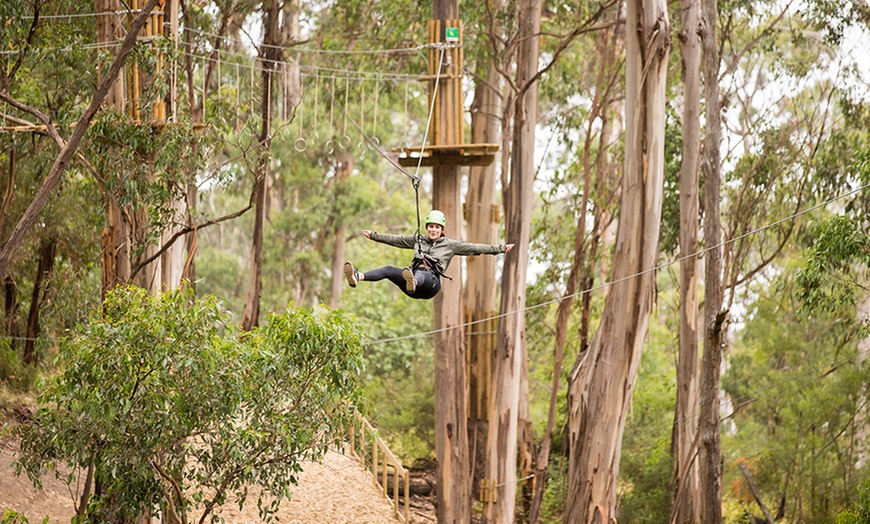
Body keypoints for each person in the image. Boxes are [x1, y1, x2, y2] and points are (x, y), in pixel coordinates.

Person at [344, 210, 515, 300]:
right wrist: (374, 235)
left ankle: (414, 281)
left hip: (430, 285)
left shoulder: (450, 245)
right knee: (389, 270)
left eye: (437, 227)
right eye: (431, 226)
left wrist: (500, 248)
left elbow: (475, 248)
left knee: (421, 273)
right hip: (412, 288)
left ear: (442, 230)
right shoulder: (418, 240)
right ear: (427, 227)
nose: (433, 230)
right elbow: (395, 239)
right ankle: (358, 276)